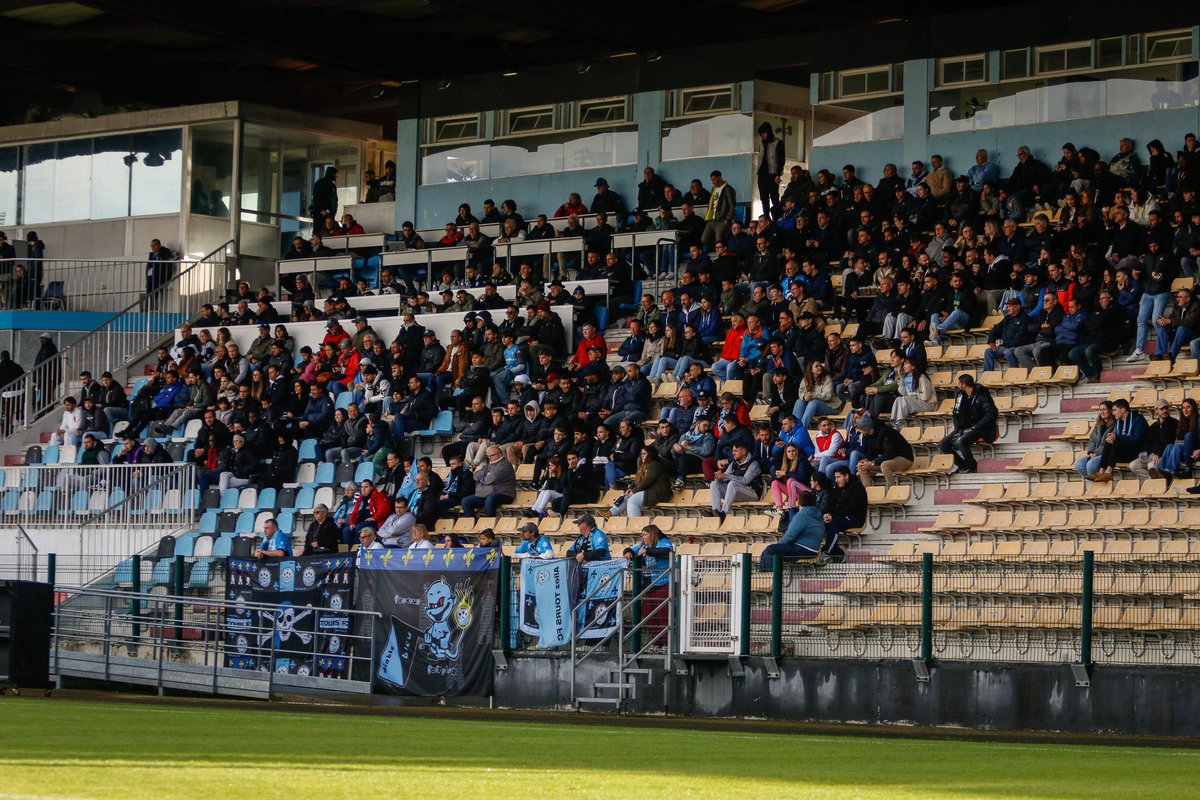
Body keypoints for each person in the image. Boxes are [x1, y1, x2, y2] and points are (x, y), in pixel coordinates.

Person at [623, 524, 673, 644]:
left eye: (645, 534)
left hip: (662, 583)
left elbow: (667, 551)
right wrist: (628, 552)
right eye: (642, 535)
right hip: (646, 585)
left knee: (662, 615)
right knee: (648, 614)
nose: (643, 537)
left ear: (652, 534)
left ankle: (665, 643)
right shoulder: (642, 545)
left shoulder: (663, 542)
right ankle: (656, 643)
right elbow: (630, 549)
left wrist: (647, 551)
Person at [939, 374, 998, 475]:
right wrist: (958, 429)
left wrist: (975, 427)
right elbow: (955, 413)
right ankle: (963, 465)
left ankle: (972, 466)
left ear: (964, 384)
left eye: (959, 383)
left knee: (960, 441)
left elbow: (992, 414)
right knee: (943, 444)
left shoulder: (982, 394)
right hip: (966, 427)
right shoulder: (960, 395)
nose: (958, 386)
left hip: (983, 429)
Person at [758, 493, 826, 570]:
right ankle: (764, 576)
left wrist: (779, 544)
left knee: (770, 550)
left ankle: (770, 578)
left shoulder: (801, 515)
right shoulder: (818, 515)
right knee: (766, 552)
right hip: (814, 551)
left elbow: (790, 535)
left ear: (799, 502)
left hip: (802, 549)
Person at [1092, 398, 1149, 483]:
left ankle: (1108, 472)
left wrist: (1117, 437)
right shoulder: (1119, 421)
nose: (1113, 413)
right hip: (1125, 452)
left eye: (1114, 410)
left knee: (1116, 439)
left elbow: (1136, 440)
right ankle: (1101, 472)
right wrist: (1114, 437)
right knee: (1110, 440)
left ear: (1122, 410)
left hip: (1138, 453)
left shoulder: (1138, 420)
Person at [855, 415, 914, 488]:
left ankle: (892, 490)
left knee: (885, 465)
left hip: (904, 458)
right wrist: (865, 461)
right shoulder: (868, 436)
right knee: (862, 467)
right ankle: (867, 494)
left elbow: (889, 454)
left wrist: (872, 463)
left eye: (861, 429)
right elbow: (871, 452)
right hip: (889, 460)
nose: (859, 431)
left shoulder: (886, 432)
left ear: (867, 428)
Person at [820, 466, 867, 558]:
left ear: (846, 476)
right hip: (839, 517)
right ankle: (837, 554)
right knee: (822, 523)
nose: (836, 480)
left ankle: (827, 552)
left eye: (838, 477)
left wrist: (833, 516)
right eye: (835, 477)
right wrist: (826, 513)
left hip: (855, 518)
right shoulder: (837, 488)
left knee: (834, 523)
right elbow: (830, 503)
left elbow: (852, 508)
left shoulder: (857, 487)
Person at [709, 441, 762, 522]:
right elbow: (725, 476)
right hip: (736, 493)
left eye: (736, 451)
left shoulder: (753, 463)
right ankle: (716, 512)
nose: (733, 453)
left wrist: (726, 476)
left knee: (732, 483)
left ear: (744, 451)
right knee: (714, 484)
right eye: (733, 451)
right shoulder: (734, 463)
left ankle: (723, 513)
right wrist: (719, 476)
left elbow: (745, 480)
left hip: (752, 493)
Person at [461, 445, 517, 518]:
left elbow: (491, 478)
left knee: (491, 499)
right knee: (466, 501)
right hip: (487, 494)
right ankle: (474, 524)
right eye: (488, 456)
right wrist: (486, 475)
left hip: (504, 494)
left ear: (499, 454)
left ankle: (488, 524)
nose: (490, 457)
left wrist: (482, 479)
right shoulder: (488, 465)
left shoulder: (505, 465)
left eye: (492, 455)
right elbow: (475, 476)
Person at [615, 446, 673, 517]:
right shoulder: (643, 466)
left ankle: (635, 525)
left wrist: (634, 491)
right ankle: (611, 513)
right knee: (625, 496)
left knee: (632, 500)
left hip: (659, 493)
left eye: (644, 453)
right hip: (649, 491)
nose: (642, 456)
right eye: (641, 454)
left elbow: (647, 481)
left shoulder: (655, 465)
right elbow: (637, 481)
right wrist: (631, 489)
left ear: (650, 454)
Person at [1128, 400, 1177, 481]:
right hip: (1152, 454)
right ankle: (1156, 479)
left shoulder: (1174, 423)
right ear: (1156, 411)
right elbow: (1147, 442)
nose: (1165, 411)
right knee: (1133, 465)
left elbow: (1170, 443)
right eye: (1162, 409)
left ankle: (1155, 480)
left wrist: (1157, 453)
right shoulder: (1153, 427)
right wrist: (1143, 453)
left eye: (1166, 408)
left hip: (1164, 455)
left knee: (1151, 465)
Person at [1075, 401, 1114, 480]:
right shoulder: (1098, 424)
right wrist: (1091, 452)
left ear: (1110, 410)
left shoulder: (1116, 424)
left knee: (1091, 464)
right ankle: (1096, 481)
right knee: (1079, 464)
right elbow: (1092, 439)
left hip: (1106, 454)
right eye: (1100, 410)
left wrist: (1096, 453)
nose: (1102, 412)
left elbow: (1109, 444)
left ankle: (1098, 482)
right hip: (1094, 453)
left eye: (1104, 409)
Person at [757, 122, 784, 218]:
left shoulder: (778, 142)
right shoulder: (761, 143)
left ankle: (777, 217)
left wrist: (778, 174)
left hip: (773, 174)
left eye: (764, 133)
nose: (762, 135)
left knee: (774, 197)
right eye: (761, 133)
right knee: (763, 198)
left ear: (769, 131)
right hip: (761, 174)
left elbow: (781, 159)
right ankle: (766, 218)